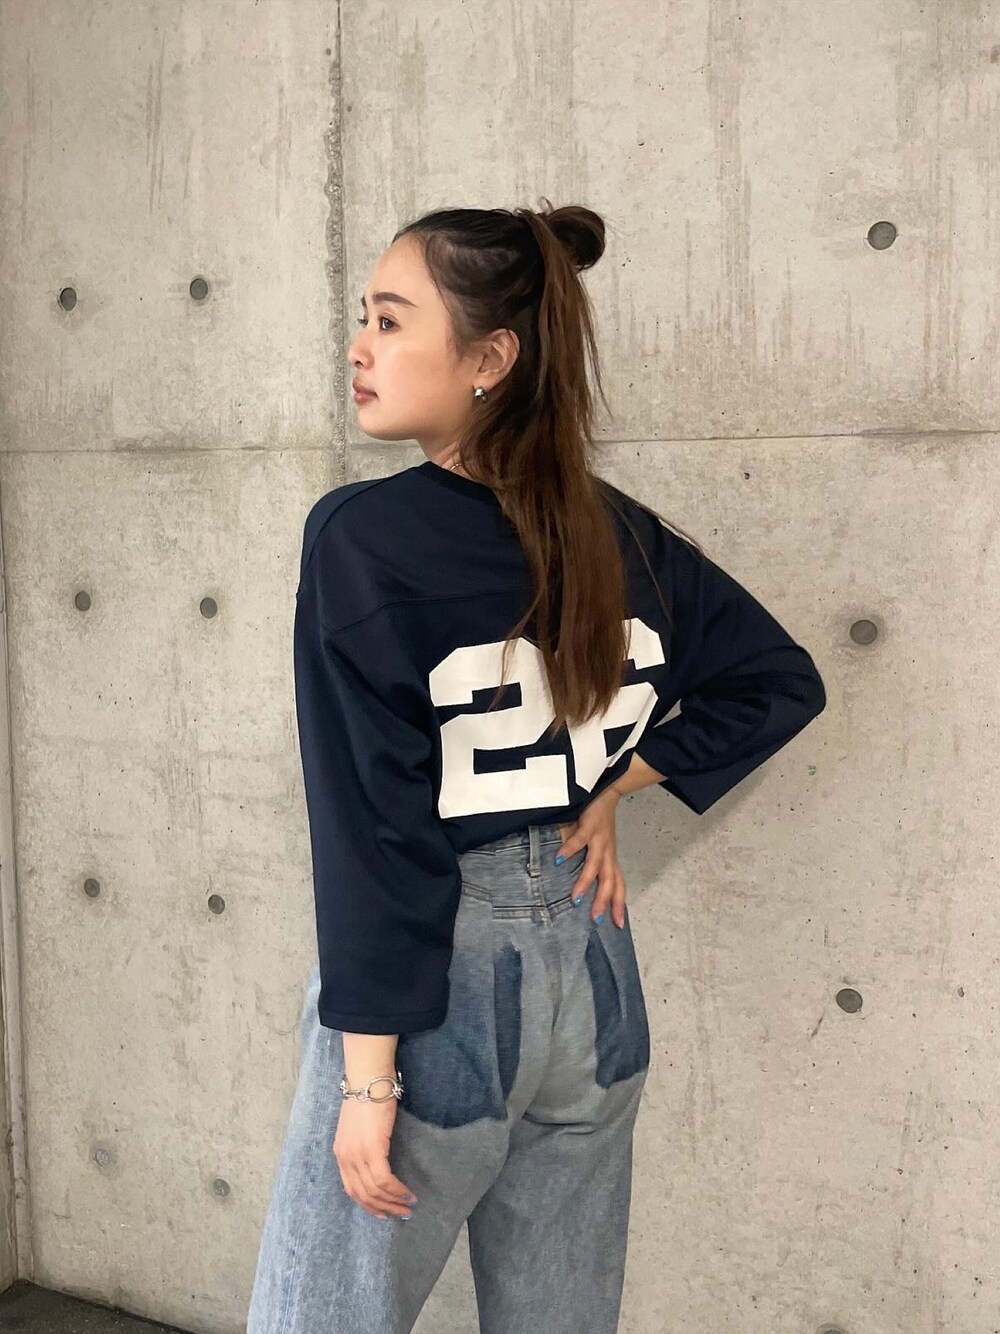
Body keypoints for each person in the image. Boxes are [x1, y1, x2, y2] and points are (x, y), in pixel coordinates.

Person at [246, 201, 826, 1334]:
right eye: (363, 317)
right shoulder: (621, 531)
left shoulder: (363, 536)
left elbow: (376, 831)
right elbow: (776, 680)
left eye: (390, 320)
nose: (358, 345)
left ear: (490, 358)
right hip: (597, 983)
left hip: (442, 992)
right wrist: (619, 780)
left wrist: (368, 1080)